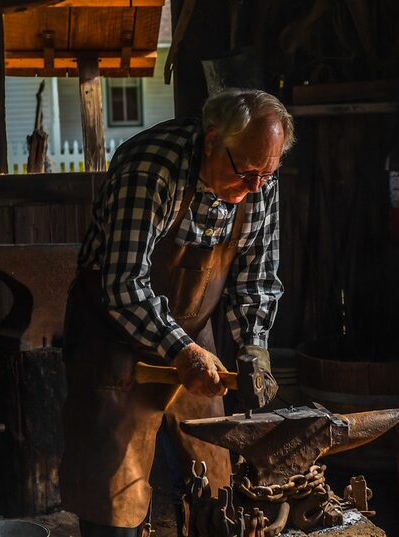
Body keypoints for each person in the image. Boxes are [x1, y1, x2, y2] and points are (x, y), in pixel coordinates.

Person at [59, 88, 294, 537]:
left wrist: (254, 351)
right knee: (114, 493)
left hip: (191, 329)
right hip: (113, 331)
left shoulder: (259, 178)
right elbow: (124, 283)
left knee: (216, 484)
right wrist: (180, 352)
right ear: (211, 142)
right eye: (246, 172)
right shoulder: (152, 171)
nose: (255, 188)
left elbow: (257, 280)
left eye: (268, 172)